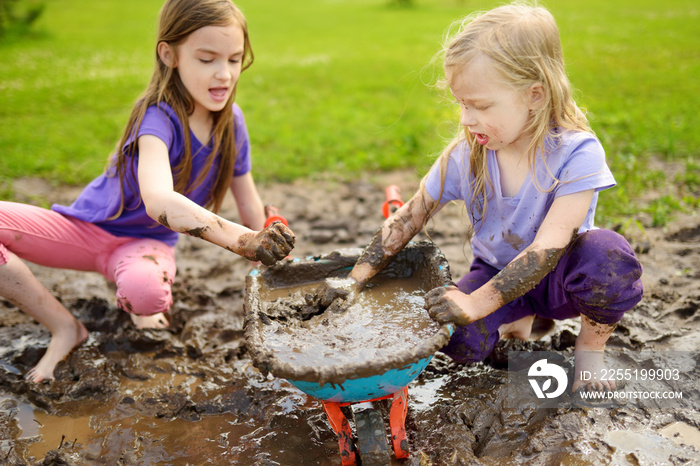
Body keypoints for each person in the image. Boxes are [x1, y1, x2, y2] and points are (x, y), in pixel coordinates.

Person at [315, 3, 642, 393]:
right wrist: (354, 280)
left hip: (561, 280)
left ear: (534, 95)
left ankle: (590, 353)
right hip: (496, 272)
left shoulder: (577, 153)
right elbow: (410, 216)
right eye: (462, 104)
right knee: (459, 339)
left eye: (481, 106)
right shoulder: (465, 155)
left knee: (609, 259)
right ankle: (517, 323)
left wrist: (475, 304)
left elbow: (549, 246)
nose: (467, 119)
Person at [0, 0, 295, 383]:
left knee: (146, 294)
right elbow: (158, 200)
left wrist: (278, 264)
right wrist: (244, 241)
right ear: (169, 54)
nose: (224, 74)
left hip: (145, 245)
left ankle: (131, 287)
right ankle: (65, 327)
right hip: (84, 231)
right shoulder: (156, 116)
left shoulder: (232, 125)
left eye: (235, 60)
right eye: (207, 60)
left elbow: (250, 203)